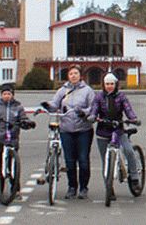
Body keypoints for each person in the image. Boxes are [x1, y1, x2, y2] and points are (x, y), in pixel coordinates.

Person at [42, 65, 95, 200]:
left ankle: (83, 187)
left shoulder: (87, 91)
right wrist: (48, 105)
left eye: (76, 73)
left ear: (80, 75)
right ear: (68, 76)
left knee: (83, 160)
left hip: (83, 129)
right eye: (71, 73)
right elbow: (55, 104)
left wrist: (84, 112)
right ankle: (72, 187)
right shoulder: (62, 90)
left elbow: (93, 107)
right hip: (66, 130)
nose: (73, 76)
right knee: (69, 161)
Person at [88, 72, 142, 198]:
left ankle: (134, 178)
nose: (109, 86)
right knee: (105, 160)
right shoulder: (99, 97)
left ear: (116, 84)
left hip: (118, 130)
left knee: (129, 151)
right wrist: (92, 117)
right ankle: (109, 187)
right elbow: (94, 109)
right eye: (107, 84)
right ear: (103, 84)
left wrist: (133, 118)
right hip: (102, 131)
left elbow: (128, 109)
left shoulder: (121, 96)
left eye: (112, 84)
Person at [0, 83, 35, 201]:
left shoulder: (18, 107)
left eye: (9, 93)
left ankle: (15, 189)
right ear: (1, 95)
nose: (7, 96)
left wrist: (27, 123)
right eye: (4, 94)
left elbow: (23, 119)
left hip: (12, 140)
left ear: (12, 95)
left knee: (13, 166)